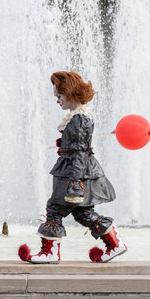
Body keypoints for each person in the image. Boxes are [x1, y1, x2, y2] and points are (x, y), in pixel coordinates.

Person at [18, 71, 127, 264]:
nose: (57, 101)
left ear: (69, 92)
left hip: (74, 172)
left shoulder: (78, 120)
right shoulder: (80, 117)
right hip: (76, 170)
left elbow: (80, 152)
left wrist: (74, 181)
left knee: (54, 209)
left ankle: (50, 252)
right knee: (83, 212)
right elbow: (79, 148)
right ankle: (114, 244)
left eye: (59, 96)